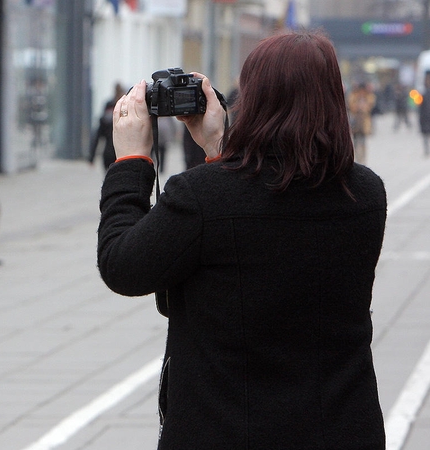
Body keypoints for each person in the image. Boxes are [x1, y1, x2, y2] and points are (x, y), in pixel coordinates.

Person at [97, 31, 386, 449]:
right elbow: (260, 224)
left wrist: (130, 163)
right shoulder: (365, 194)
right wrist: (220, 150)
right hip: (342, 427)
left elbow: (123, 266)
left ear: (254, 100)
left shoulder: (203, 197)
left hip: (228, 430)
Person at [89, 83, 124, 170]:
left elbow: (98, 135)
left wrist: (92, 156)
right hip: (122, 153)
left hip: (108, 153)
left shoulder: (107, 111)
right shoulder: (125, 109)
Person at [347, 82, 376, 164]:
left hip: (364, 123)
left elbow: (370, 105)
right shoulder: (353, 96)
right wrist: (357, 106)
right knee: (355, 141)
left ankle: (363, 159)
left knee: (363, 141)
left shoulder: (368, 97)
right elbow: (351, 105)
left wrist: (363, 107)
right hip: (355, 122)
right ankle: (356, 157)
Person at [419, 72, 430, 156]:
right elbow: (421, 107)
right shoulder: (423, 93)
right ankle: (426, 150)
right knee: (425, 135)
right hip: (425, 117)